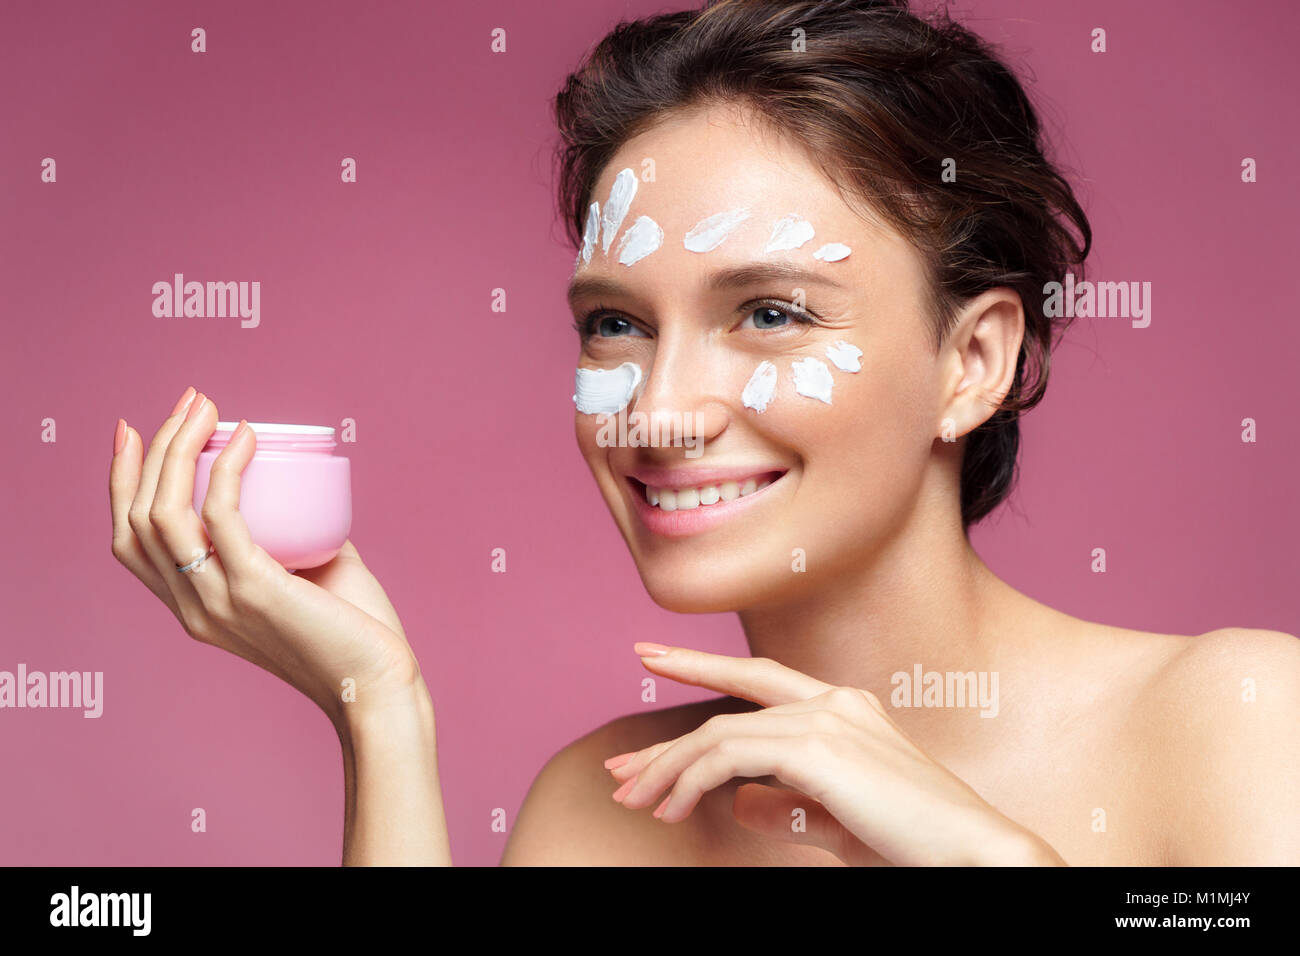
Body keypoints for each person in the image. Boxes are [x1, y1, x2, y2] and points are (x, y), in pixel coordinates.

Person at [109, 0, 1298, 866]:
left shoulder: (1238, 721)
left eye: (770, 311)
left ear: (971, 361)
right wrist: (378, 708)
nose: (659, 406)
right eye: (616, 323)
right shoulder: (606, 808)